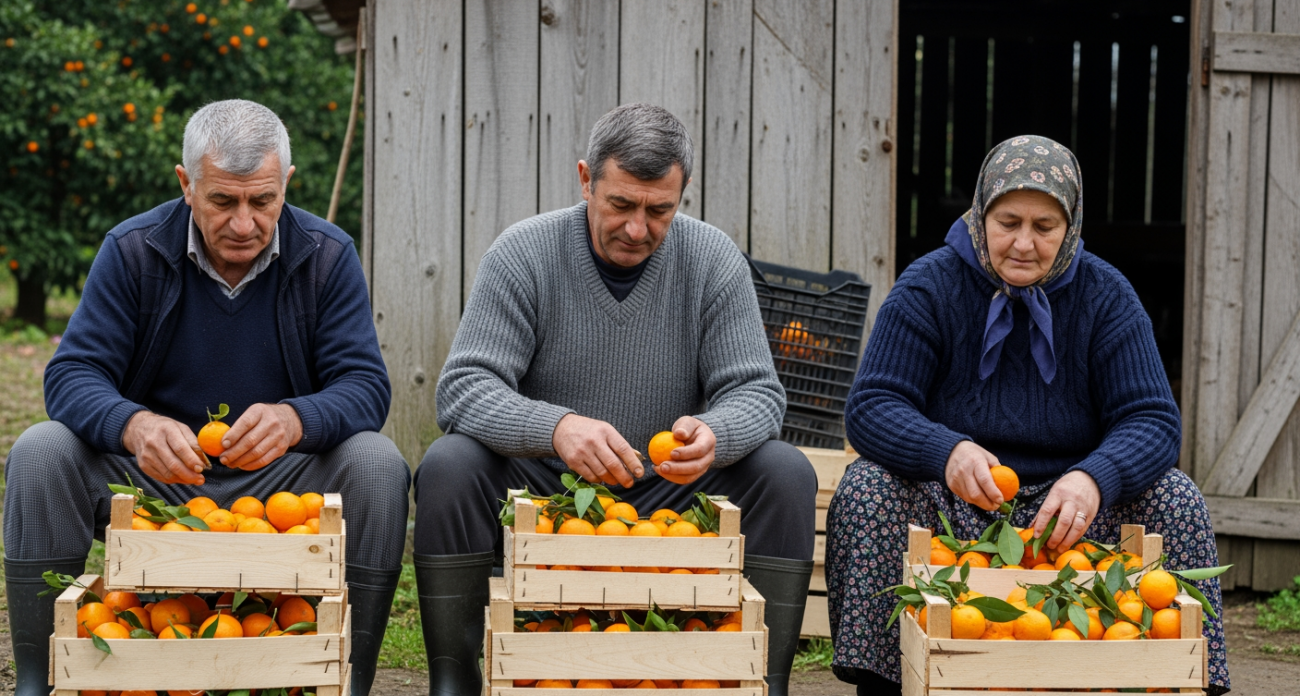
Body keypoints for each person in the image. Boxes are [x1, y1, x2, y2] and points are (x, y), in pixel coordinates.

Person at [2, 99, 410, 696]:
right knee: (41, 450)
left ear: (286, 185)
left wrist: (297, 417)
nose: (244, 223)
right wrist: (133, 425)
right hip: (157, 479)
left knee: (377, 463)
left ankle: (348, 680)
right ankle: (40, 679)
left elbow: (366, 385)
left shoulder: (325, 256)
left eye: (263, 201)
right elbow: (72, 373)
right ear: (186, 185)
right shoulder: (134, 250)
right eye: (223, 201)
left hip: (279, 485)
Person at [412, 103, 817, 696]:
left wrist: (716, 433)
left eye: (660, 210)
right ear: (586, 180)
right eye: (621, 205)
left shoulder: (712, 260)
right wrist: (556, 428)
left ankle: (763, 678)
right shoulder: (524, 253)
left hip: (672, 491)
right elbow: (465, 388)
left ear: (682, 194)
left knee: (785, 472)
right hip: (546, 491)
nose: (637, 228)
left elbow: (756, 391)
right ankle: (455, 677)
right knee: (449, 465)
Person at [825, 135, 1228, 696]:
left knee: (1177, 497)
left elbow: (1154, 420)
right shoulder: (929, 286)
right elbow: (872, 407)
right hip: (958, 509)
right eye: (1008, 221)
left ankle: (1177, 679)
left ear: (1071, 228)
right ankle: (889, 680)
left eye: (1045, 227)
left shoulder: (1105, 296)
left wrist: (1095, 478)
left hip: (1072, 519)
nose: (1023, 243)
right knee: (867, 487)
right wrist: (945, 451)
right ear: (980, 213)